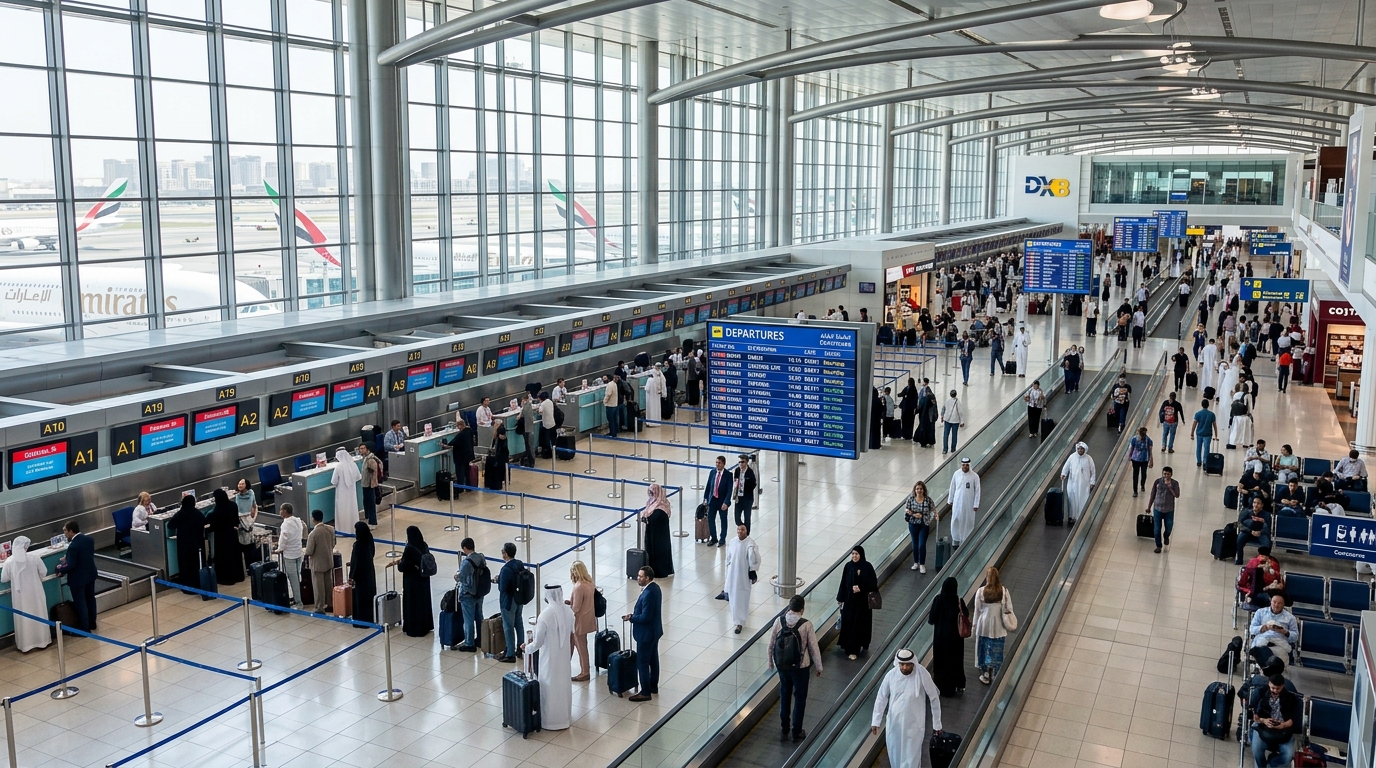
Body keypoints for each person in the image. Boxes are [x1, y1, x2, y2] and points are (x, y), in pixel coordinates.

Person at [870, 648, 944, 768]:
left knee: (911, 757)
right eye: (902, 664)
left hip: (914, 724)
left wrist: (937, 724)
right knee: (895, 754)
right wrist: (876, 721)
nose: (904, 667)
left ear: (913, 663)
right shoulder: (891, 675)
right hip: (894, 724)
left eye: (908, 664)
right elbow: (881, 697)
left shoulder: (922, 674)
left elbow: (934, 698)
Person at [769, 595, 824, 741]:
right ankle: (796, 731)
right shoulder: (806, 625)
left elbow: (772, 643)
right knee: (800, 698)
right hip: (801, 667)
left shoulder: (779, 621)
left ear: (789, 607)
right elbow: (813, 648)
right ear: (802, 609)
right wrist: (819, 666)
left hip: (782, 666)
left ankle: (784, 730)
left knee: (784, 695)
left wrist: (770, 662)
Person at [523, 584, 574, 730]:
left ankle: (549, 721)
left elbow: (538, 642)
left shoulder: (545, 616)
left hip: (548, 660)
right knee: (563, 687)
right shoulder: (569, 612)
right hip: (564, 660)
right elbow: (572, 635)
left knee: (549, 688)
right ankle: (564, 718)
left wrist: (527, 648)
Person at [1, 537, 51, 652]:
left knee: (23, 618)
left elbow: (4, 578)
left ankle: (25, 645)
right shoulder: (34, 558)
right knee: (39, 614)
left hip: (20, 597)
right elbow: (44, 572)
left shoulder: (9, 561)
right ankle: (42, 641)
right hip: (36, 593)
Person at [623, 566, 663, 702]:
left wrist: (632, 618)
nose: (638, 578)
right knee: (653, 660)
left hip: (646, 634)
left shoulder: (648, 593)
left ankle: (645, 691)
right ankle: (653, 686)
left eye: (640, 576)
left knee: (643, 663)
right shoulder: (655, 588)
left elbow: (645, 617)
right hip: (654, 631)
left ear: (647, 578)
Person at [1247, 672, 1302, 768]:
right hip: (1262, 727)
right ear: (1269, 683)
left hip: (1283, 731)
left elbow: (1295, 719)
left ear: (1283, 686)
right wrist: (1263, 720)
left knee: (1288, 755)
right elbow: (1252, 714)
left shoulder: (1290, 698)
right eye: (1273, 688)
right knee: (1256, 749)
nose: (1275, 691)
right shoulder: (1260, 693)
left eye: (1278, 688)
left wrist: (1283, 725)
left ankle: (1271, 765)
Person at [972, 566, 1016, 685]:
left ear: (987, 577)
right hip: (998, 624)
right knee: (996, 648)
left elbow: (977, 610)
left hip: (984, 624)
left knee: (983, 647)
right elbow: (1009, 608)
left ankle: (985, 673)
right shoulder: (1003, 591)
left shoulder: (981, 591)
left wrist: (974, 625)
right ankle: (994, 670)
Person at [715, 524, 761, 634]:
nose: (740, 531)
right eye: (738, 529)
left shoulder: (750, 544)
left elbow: (754, 559)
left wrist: (752, 572)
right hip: (732, 575)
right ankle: (736, 620)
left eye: (742, 529)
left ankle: (740, 622)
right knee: (733, 597)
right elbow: (729, 558)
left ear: (746, 531)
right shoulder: (733, 542)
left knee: (742, 599)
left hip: (743, 577)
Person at [389, 526, 433, 637]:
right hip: (423, 579)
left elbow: (403, 566)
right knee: (423, 603)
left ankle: (414, 628)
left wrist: (400, 564)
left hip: (412, 582)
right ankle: (426, 625)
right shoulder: (424, 545)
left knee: (413, 604)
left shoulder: (409, 548)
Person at [53, 521, 98, 631]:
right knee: (90, 599)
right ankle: (92, 623)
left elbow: (71, 565)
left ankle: (84, 628)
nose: (64, 533)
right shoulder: (88, 539)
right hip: (90, 574)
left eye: (65, 531)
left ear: (71, 531)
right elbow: (85, 556)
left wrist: (60, 569)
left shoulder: (73, 546)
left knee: (81, 603)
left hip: (78, 579)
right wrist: (68, 558)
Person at [836, 546, 878, 660]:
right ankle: (848, 646)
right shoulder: (848, 566)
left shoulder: (867, 567)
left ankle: (854, 649)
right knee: (849, 622)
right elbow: (843, 582)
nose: (854, 556)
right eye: (853, 553)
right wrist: (840, 598)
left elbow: (873, 584)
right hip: (849, 602)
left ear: (861, 555)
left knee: (858, 624)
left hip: (862, 604)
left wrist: (861, 588)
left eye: (857, 554)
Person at [928, 577, 968, 696]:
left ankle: (940, 686)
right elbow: (966, 614)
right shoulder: (959, 601)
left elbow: (932, 619)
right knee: (955, 661)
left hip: (940, 637)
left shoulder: (938, 600)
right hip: (956, 639)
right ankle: (957, 684)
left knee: (940, 661)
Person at [492, 543, 525, 663]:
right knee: (519, 623)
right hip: (519, 599)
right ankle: (521, 648)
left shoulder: (505, 569)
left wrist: (498, 579)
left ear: (505, 554)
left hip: (508, 602)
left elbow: (502, 587)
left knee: (508, 626)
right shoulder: (519, 564)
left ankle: (510, 653)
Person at [168, 495, 207, 592]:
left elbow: (170, 525)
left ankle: (187, 586)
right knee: (197, 564)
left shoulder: (180, 514)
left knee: (185, 564)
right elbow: (204, 522)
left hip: (184, 544)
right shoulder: (198, 513)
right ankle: (198, 584)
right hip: (197, 543)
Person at [207, 488, 245, 586]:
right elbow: (236, 520)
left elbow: (211, 525)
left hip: (221, 537)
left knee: (224, 558)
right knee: (235, 555)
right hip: (232, 534)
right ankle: (238, 576)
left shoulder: (216, 510)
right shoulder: (233, 505)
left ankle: (226, 578)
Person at [456, 537, 487, 652]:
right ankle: (480, 639)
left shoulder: (467, 562)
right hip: (479, 592)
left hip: (468, 593)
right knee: (479, 616)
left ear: (464, 548)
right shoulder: (481, 557)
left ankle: (469, 643)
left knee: (468, 619)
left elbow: (461, 577)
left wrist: (456, 576)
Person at [304, 510, 336, 613]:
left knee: (318, 587)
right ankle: (330, 604)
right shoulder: (330, 529)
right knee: (328, 584)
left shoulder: (313, 534)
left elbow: (309, 551)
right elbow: (333, 543)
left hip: (317, 564)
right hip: (328, 560)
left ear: (313, 519)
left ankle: (319, 607)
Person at [273, 503, 305, 608]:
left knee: (293, 578)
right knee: (298, 575)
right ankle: (299, 596)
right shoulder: (298, 521)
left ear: (285, 511)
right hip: (298, 552)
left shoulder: (286, 524)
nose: (280, 511)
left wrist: (279, 549)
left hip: (290, 555)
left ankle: (298, 602)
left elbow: (283, 538)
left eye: (281, 510)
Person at [568, 560, 595, 678]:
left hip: (579, 621)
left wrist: (568, 607)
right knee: (579, 643)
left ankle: (585, 672)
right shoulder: (589, 583)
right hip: (588, 617)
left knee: (580, 646)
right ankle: (569, 665)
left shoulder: (578, 586)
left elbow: (576, 608)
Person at [641, 483, 675, 578]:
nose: (651, 495)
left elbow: (658, 519)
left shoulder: (662, 507)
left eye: (652, 493)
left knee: (659, 555)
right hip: (651, 536)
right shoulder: (651, 503)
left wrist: (648, 519)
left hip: (659, 539)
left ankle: (660, 571)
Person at [903, 481, 937, 573]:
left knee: (921, 545)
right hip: (913, 524)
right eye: (917, 489)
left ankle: (922, 564)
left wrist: (935, 515)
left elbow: (933, 508)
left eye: (921, 489)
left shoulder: (927, 500)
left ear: (924, 490)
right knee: (915, 544)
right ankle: (915, 563)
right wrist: (914, 514)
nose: (919, 490)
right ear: (915, 490)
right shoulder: (910, 499)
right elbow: (906, 509)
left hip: (924, 524)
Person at [1146, 465, 1181, 553]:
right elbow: (1152, 494)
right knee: (1157, 529)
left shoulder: (1175, 483)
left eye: (1168, 474)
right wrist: (1149, 506)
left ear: (1171, 474)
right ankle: (1158, 545)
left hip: (1169, 510)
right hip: (1157, 508)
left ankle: (1166, 536)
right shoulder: (1157, 482)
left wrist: (1170, 487)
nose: (1166, 476)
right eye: (1164, 474)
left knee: (1169, 526)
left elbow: (1177, 495)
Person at [1060, 442, 1097, 525]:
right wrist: (1063, 474)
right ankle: (1072, 517)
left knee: (1083, 499)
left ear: (1085, 450)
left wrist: (1092, 482)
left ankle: (1082, 516)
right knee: (1072, 500)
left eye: (1082, 449)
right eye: (1079, 449)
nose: (1080, 450)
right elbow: (1066, 466)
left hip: (1084, 485)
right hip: (1073, 484)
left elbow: (1093, 471)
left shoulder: (1089, 459)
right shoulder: (1072, 457)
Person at [948, 458, 981, 548]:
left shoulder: (975, 476)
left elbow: (977, 491)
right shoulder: (956, 474)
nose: (965, 467)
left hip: (969, 504)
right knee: (956, 520)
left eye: (966, 465)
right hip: (957, 503)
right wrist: (950, 500)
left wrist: (976, 504)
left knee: (967, 521)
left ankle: (966, 540)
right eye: (963, 465)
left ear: (969, 466)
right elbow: (952, 487)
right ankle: (956, 539)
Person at [349, 521, 377, 624]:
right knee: (368, 597)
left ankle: (360, 620)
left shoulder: (358, 545)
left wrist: (352, 576)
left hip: (360, 576)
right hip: (369, 571)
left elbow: (356, 563)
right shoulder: (369, 539)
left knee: (360, 598)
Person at [328, 447, 361, 528]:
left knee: (342, 511)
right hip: (351, 493)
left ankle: (343, 529)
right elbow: (358, 477)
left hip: (341, 494)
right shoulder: (352, 464)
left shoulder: (338, 467)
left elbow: (333, 481)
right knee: (352, 509)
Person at [703, 455, 732, 547]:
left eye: (719, 463)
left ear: (723, 464)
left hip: (722, 501)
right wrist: (705, 498)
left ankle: (722, 539)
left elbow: (729, 490)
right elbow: (708, 486)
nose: (717, 465)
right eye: (716, 462)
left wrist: (726, 502)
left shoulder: (728, 475)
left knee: (723, 520)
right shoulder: (712, 472)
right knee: (710, 519)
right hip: (713, 500)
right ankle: (714, 538)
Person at [1236, 497, 1273, 566]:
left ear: (1262, 505)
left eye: (1258, 503)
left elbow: (1268, 527)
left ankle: (1263, 562)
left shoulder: (1267, 515)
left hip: (1261, 533)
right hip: (1248, 532)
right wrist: (1250, 531)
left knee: (1267, 543)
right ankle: (1239, 559)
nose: (1255, 505)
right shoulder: (1246, 512)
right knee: (1240, 539)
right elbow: (1240, 524)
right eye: (1254, 503)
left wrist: (1260, 531)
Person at [442, 420, 476, 491]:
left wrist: (444, 445)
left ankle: (460, 488)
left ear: (460, 426)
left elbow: (452, 443)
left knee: (460, 472)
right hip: (468, 455)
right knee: (467, 471)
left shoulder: (461, 435)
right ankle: (468, 487)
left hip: (460, 457)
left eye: (458, 426)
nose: (458, 428)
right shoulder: (469, 431)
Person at [732, 454, 758, 533]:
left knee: (747, 517)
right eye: (739, 462)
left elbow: (754, 484)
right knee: (737, 518)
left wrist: (746, 487)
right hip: (739, 498)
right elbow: (735, 481)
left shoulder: (750, 472)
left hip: (747, 499)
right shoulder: (737, 470)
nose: (741, 464)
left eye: (742, 462)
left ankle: (746, 533)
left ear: (747, 462)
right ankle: (743, 528)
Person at [359, 444, 382, 526]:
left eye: (362, 448)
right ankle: (368, 518)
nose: (361, 450)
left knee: (371, 504)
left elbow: (374, 473)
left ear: (367, 449)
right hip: (365, 484)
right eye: (360, 449)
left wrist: (372, 484)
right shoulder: (365, 458)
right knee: (367, 503)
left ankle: (373, 522)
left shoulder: (371, 460)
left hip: (370, 485)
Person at [1192, 398, 1219, 468]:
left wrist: (1192, 433)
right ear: (1208, 405)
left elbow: (1194, 424)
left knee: (1198, 447)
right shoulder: (1212, 414)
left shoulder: (1198, 414)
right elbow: (1214, 425)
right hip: (1208, 434)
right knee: (1207, 448)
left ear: (1202, 405)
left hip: (1199, 433)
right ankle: (1205, 461)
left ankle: (1198, 461)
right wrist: (1216, 435)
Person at [1127, 427, 1154, 498]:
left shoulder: (1137, 439)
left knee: (1136, 474)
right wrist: (1151, 460)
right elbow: (1150, 451)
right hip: (1143, 459)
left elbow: (1131, 448)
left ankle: (1135, 491)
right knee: (1143, 473)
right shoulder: (1147, 440)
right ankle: (1141, 486)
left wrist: (1129, 456)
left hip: (1137, 459)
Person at [940, 390, 964, 456]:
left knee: (946, 435)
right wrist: (962, 421)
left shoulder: (947, 401)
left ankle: (945, 449)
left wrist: (942, 416)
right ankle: (953, 449)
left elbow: (943, 409)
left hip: (947, 420)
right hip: (955, 421)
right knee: (954, 435)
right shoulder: (958, 402)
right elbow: (960, 412)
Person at [485, 425, 509, 490]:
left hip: (501, 457)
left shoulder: (502, 440)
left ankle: (499, 482)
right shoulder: (497, 438)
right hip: (498, 457)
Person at [538, 392, 557, 458]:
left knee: (547, 440)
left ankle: (548, 453)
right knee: (553, 439)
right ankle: (555, 452)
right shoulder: (550, 401)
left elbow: (540, 412)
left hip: (546, 425)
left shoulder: (542, 404)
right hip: (552, 422)